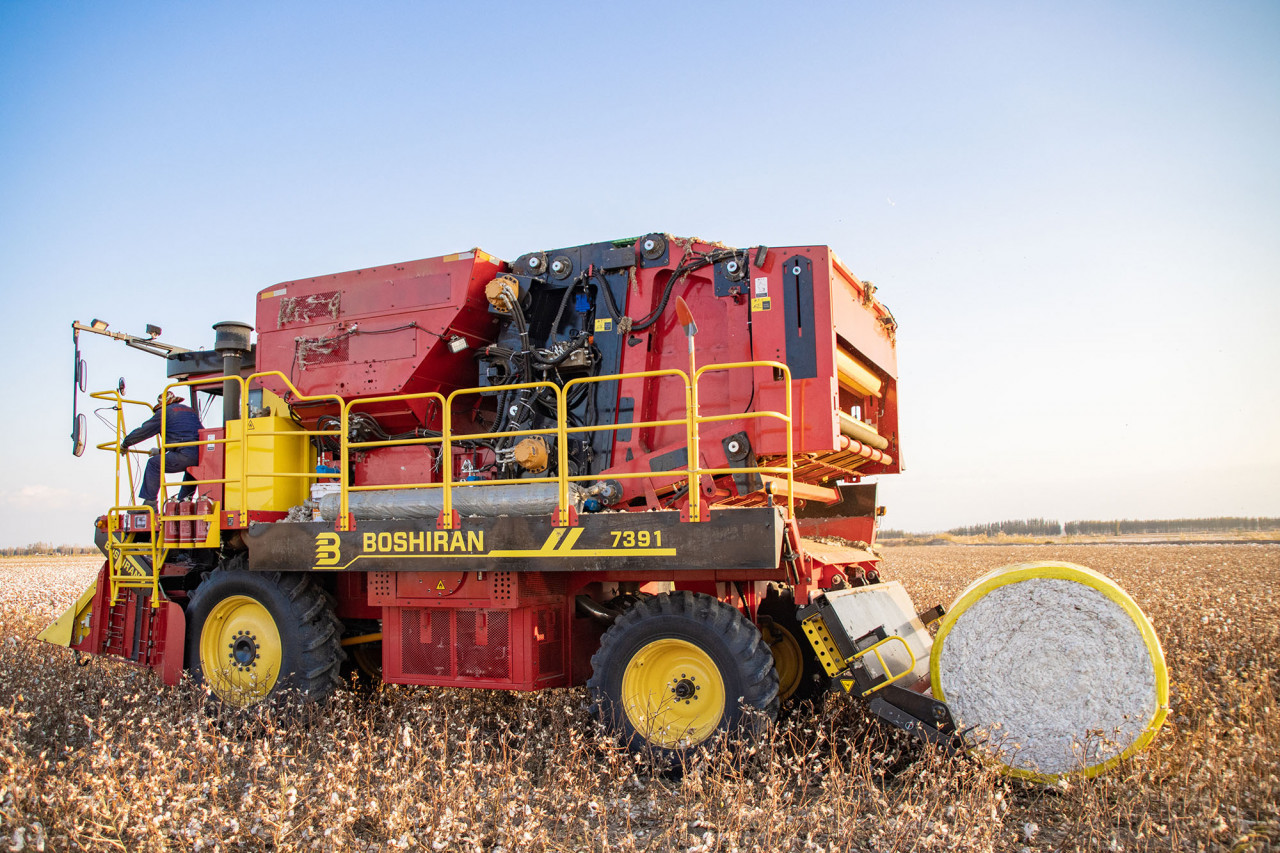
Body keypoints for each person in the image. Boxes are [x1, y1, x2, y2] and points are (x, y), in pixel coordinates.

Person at [121, 390, 203, 509]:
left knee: (154, 464)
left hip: (186, 455)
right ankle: (183, 504)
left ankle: (150, 504)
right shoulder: (189, 411)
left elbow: (144, 431)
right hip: (203, 454)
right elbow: (184, 436)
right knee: (191, 471)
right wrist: (161, 451)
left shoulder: (164, 413)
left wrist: (126, 443)